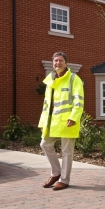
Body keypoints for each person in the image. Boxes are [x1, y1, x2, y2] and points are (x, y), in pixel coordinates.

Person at [39, 52, 84, 191]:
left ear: (66, 63)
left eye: (60, 61)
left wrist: (73, 117)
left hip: (67, 121)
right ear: (53, 63)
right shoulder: (49, 80)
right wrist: (42, 122)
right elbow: (46, 104)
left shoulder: (73, 79)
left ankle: (64, 180)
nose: (57, 63)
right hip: (51, 121)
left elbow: (79, 101)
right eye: (55, 61)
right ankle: (56, 173)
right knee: (44, 144)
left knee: (67, 152)